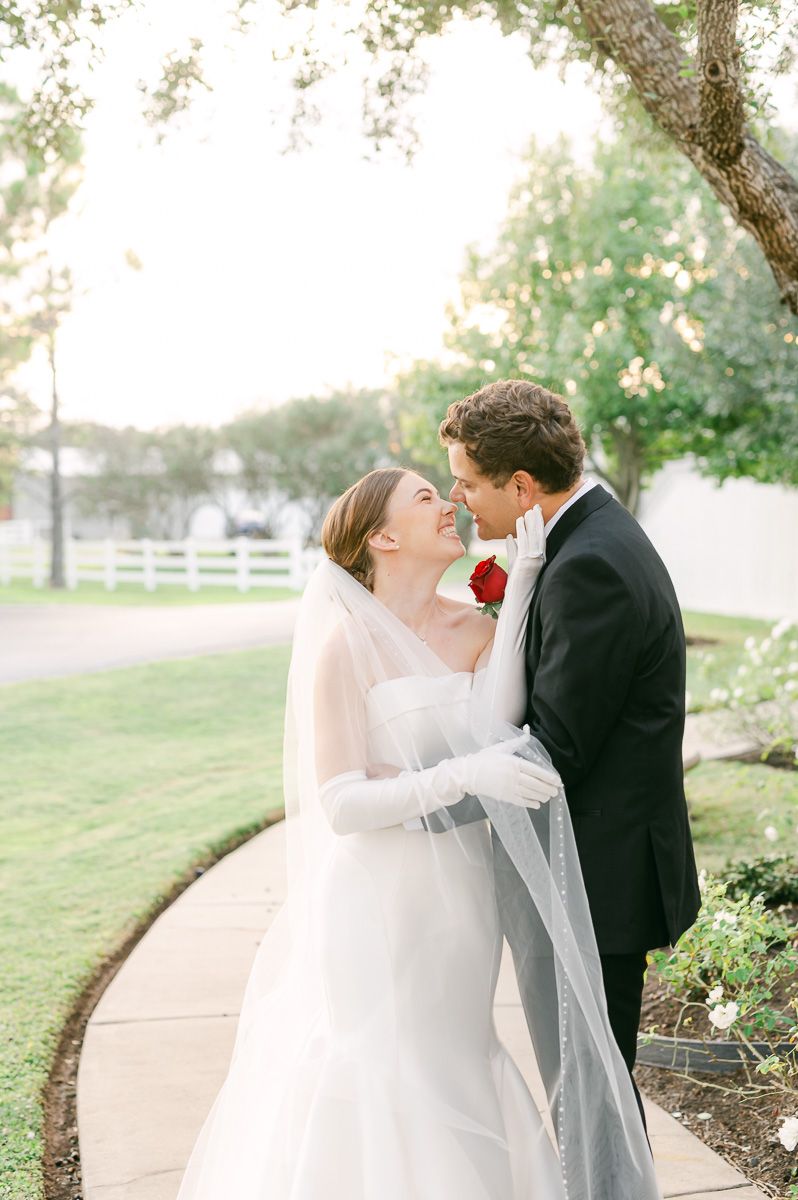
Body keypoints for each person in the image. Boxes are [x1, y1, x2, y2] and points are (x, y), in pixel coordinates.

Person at [175, 463, 662, 1200]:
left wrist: (525, 579)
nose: (450, 504)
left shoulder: (476, 626)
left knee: (457, 1054)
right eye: (428, 498)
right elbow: (341, 803)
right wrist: (463, 780)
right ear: (382, 536)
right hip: (379, 898)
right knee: (381, 1062)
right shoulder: (343, 648)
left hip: (462, 894)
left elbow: (498, 726)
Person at [438, 378, 702, 1134]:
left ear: (521, 486)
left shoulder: (591, 565)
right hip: (588, 868)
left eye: (467, 483)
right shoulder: (585, 537)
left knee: (594, 1105)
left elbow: (552, 752)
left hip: (595, 876)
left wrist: (419, 801)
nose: (459, 501)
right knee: (589, 1095)